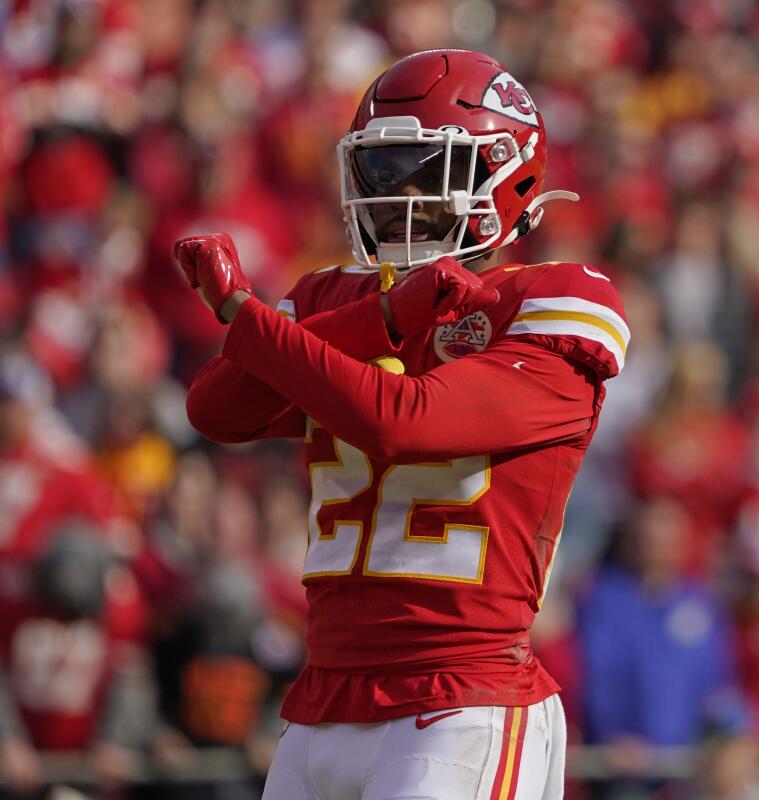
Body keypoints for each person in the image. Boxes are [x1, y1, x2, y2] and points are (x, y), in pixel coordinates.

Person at [175, 49, 628, 800]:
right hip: (324, 695)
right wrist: (383, 313)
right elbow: (218, 410)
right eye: (379, 171)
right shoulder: (333, 295)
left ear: (502, 174)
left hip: (463, 698)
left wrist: (240, 314)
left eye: (422, 169)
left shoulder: (553, 298)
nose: (393, 195)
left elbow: (403, 423)